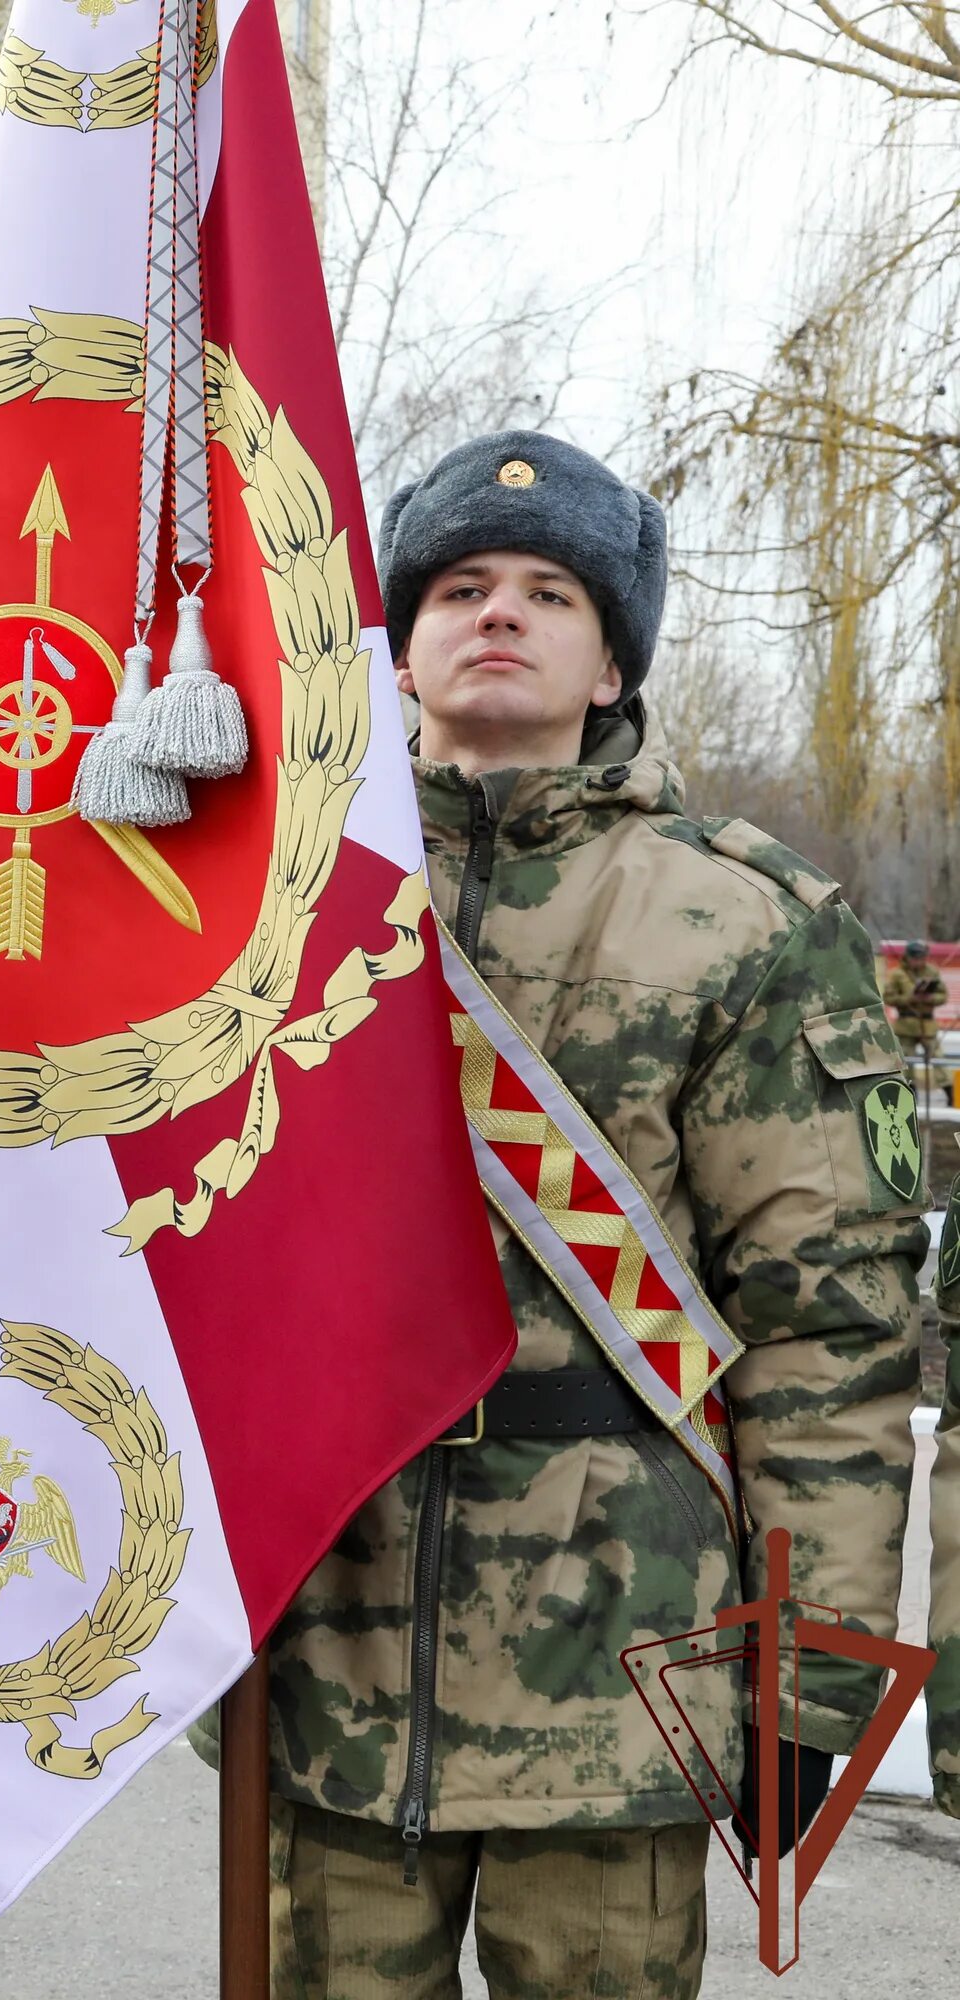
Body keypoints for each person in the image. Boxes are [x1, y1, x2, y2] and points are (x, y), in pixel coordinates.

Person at [262, 434, 922, 1999]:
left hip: (628, 1657)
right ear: (398, 644)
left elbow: (826, 1332)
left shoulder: (743, 919)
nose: (500, 615)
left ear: (613, 651)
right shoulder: (271, 900)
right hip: (326, 1640)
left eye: (549, 591)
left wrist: (809, 1685)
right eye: (461, 588)